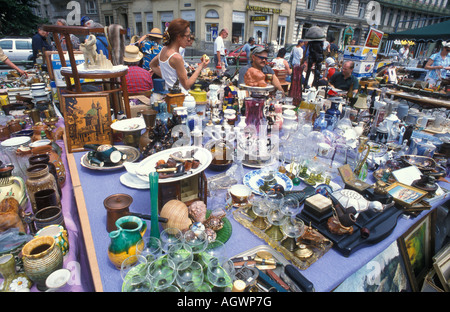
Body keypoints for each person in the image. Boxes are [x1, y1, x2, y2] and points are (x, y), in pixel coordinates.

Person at [149, 18, 209, 94]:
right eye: (187, 36)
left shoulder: (163, 50)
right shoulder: (176, 57)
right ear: (178, 37)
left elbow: (152, 65)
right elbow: (186, 85)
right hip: (180, 98)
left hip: (169, 96)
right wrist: (201, 66)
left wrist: (167, 77)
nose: (189, 39)